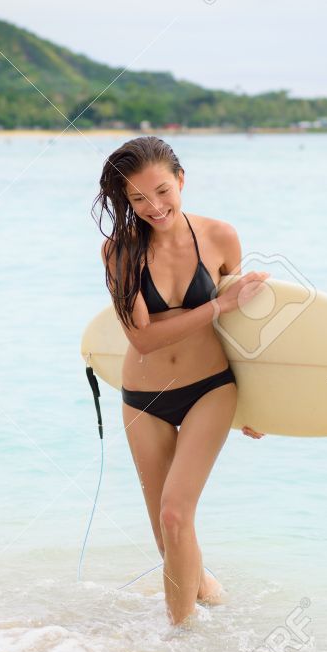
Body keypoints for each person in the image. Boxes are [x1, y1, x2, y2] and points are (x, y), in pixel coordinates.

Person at [91, 135, 269, 626]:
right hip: (143, 398)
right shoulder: (119, 251)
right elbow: (143, 338)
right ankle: (206, 592)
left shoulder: (220, 237)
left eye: (162, 191)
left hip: (210, 388)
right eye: (138, 199)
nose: (154, 207)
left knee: (175, 513)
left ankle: (179, 640)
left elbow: (241, 329)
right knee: (165, 532)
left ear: (181, 180)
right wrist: (218, 305)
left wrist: (259, 407)